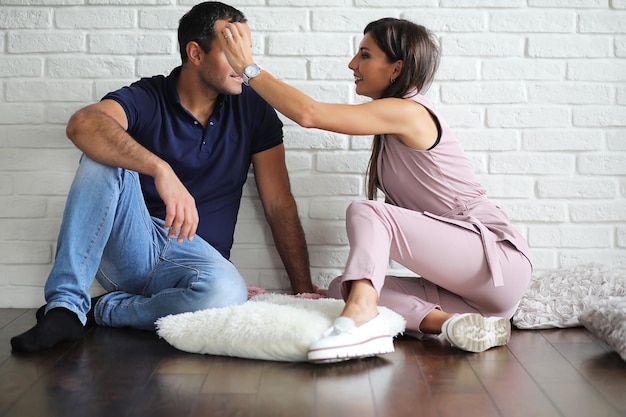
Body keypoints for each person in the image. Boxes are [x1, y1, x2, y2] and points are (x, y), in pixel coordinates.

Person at [219, 17, 533, 362]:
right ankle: (454, 324)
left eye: (365, 55)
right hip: (475, 296)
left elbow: (309, 114)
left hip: (495, 260)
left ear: (396, 68)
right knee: (344, 286)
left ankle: (363, 319)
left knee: (367, 211)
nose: (353, 64)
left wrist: (247, 67)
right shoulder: (391, 123)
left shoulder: (409, 112)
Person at [10, 1, 314, 353]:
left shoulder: (254, 108)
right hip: (133, 244)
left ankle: (103, 310)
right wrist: (160, 169)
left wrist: (302, 287)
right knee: (100, 155)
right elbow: (82, 124)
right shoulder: (149, 95)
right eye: (232, 49)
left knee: (227, 292)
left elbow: (278, 202)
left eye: (246, 50)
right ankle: (64, 307)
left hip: (196, 265)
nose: (244, 64)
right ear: (195, 53)